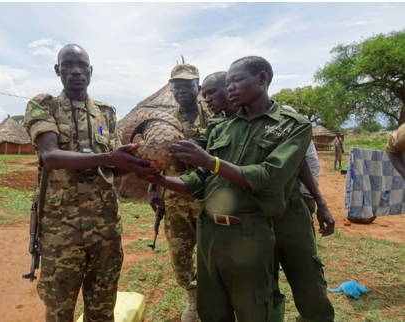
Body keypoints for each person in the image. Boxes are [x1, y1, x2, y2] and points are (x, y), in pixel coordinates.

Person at [140, 56, 314, 322]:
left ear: (262, 79)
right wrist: (156, 178)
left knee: (254, 307)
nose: (230, 88)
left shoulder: (293, 125)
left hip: (249, 231)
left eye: (236, 81)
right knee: (213, 308)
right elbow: (198, 179)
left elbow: (269, 178)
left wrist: (210, 161)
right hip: (209, 230)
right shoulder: (220, 127)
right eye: (228, 82)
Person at [24, 44, 156, 322]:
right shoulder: (44, 105)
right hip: (62, 231)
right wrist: (108, 156)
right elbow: (50, 156)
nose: (75, 71)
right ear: (57, 69)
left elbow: (112, 166)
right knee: (60, 310)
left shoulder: (105, 113)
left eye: (82, 65)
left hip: (104, 227)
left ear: (91, 70)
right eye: (68, 64)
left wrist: (137, 166)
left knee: (103, 307)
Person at [201, 73, 335, 321]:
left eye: (213, 92)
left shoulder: (283, 118)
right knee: (262, 285)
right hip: (252, 218)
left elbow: (303, 163)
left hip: (288, 210)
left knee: (306, 274)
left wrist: (318, 200)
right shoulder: (219, 126)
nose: (208, 99)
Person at [147, 63, 211, 322]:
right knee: (180, 257)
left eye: (188, 85)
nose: (182, 90)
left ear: (198, 88)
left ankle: (214, 301)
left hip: (211, 200)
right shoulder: (163, 122)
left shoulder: (216, 116)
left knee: (213, 256)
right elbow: (156, 157)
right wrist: (153, 187)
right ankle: (193, 298)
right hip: (174, 201)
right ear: (171, 89)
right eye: (177, 86)